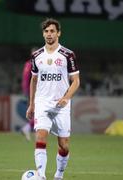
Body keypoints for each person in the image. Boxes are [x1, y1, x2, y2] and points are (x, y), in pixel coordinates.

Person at [26, 18, 80, 180]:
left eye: (52, 31)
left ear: (58, 33)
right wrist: (32, 104)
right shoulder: (36, 56)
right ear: (43, 34)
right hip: (43, 102)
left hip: (61, 105)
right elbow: (34, 80)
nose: (49, 34)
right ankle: (41, 176)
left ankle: (59, 174)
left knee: (64, 145)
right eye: (46, 31)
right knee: (41, 136)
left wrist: (66, 98)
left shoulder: (67, 55)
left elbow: (76, 81)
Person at [21, 48, 37, 141]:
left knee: (37, 113)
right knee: (38, 113)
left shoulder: (39, 63)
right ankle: (27, 129)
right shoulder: (29, 64)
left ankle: (27, 129)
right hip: (33, 92)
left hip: (38, 92)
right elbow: (26, 79)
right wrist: (26, 91)